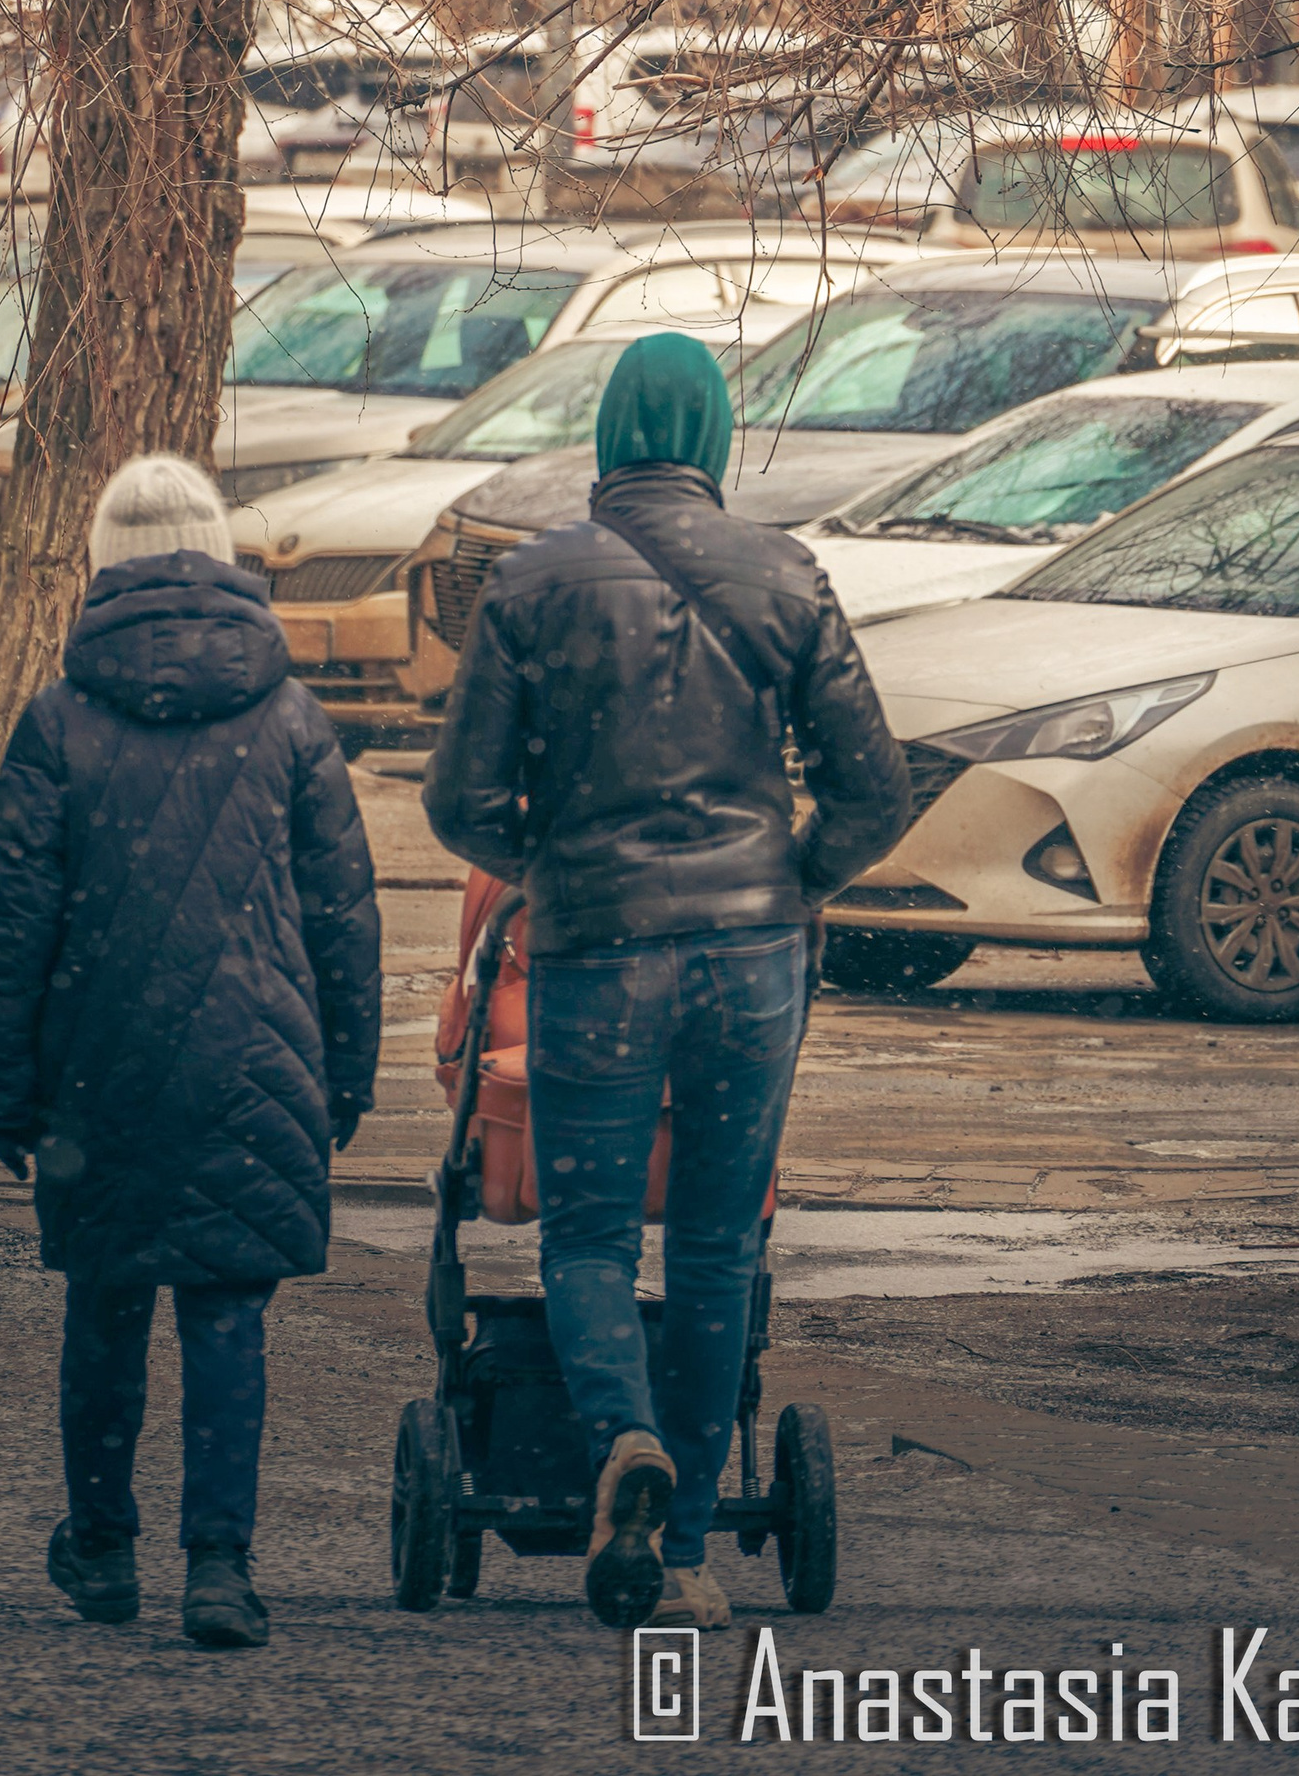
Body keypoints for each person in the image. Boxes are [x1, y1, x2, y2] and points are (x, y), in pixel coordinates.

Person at [422, 331, 906, 1633]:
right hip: (753, 966)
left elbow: (459, 798)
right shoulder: (790, 574)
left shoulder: (530, 582)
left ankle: (622, 1437)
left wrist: (555, 869)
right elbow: (876, 787)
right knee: (715, 1242)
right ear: (712, 437)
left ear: (607, 432)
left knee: (585, 1235)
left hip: (596, 952)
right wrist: (795, 880)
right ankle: (684, 1543)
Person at [0, 451, 382, 1650]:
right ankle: (219, 1566)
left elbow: (16, 928)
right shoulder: (291, 717)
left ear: (101, 566)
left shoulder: (57, 720)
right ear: (223, 559)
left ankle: (100, 1543)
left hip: (100, 1063)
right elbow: (343, 913)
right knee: (223, 1308)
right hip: (252, 1057)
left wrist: (1, 1082)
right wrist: (345, 1067)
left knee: (104, 1304)